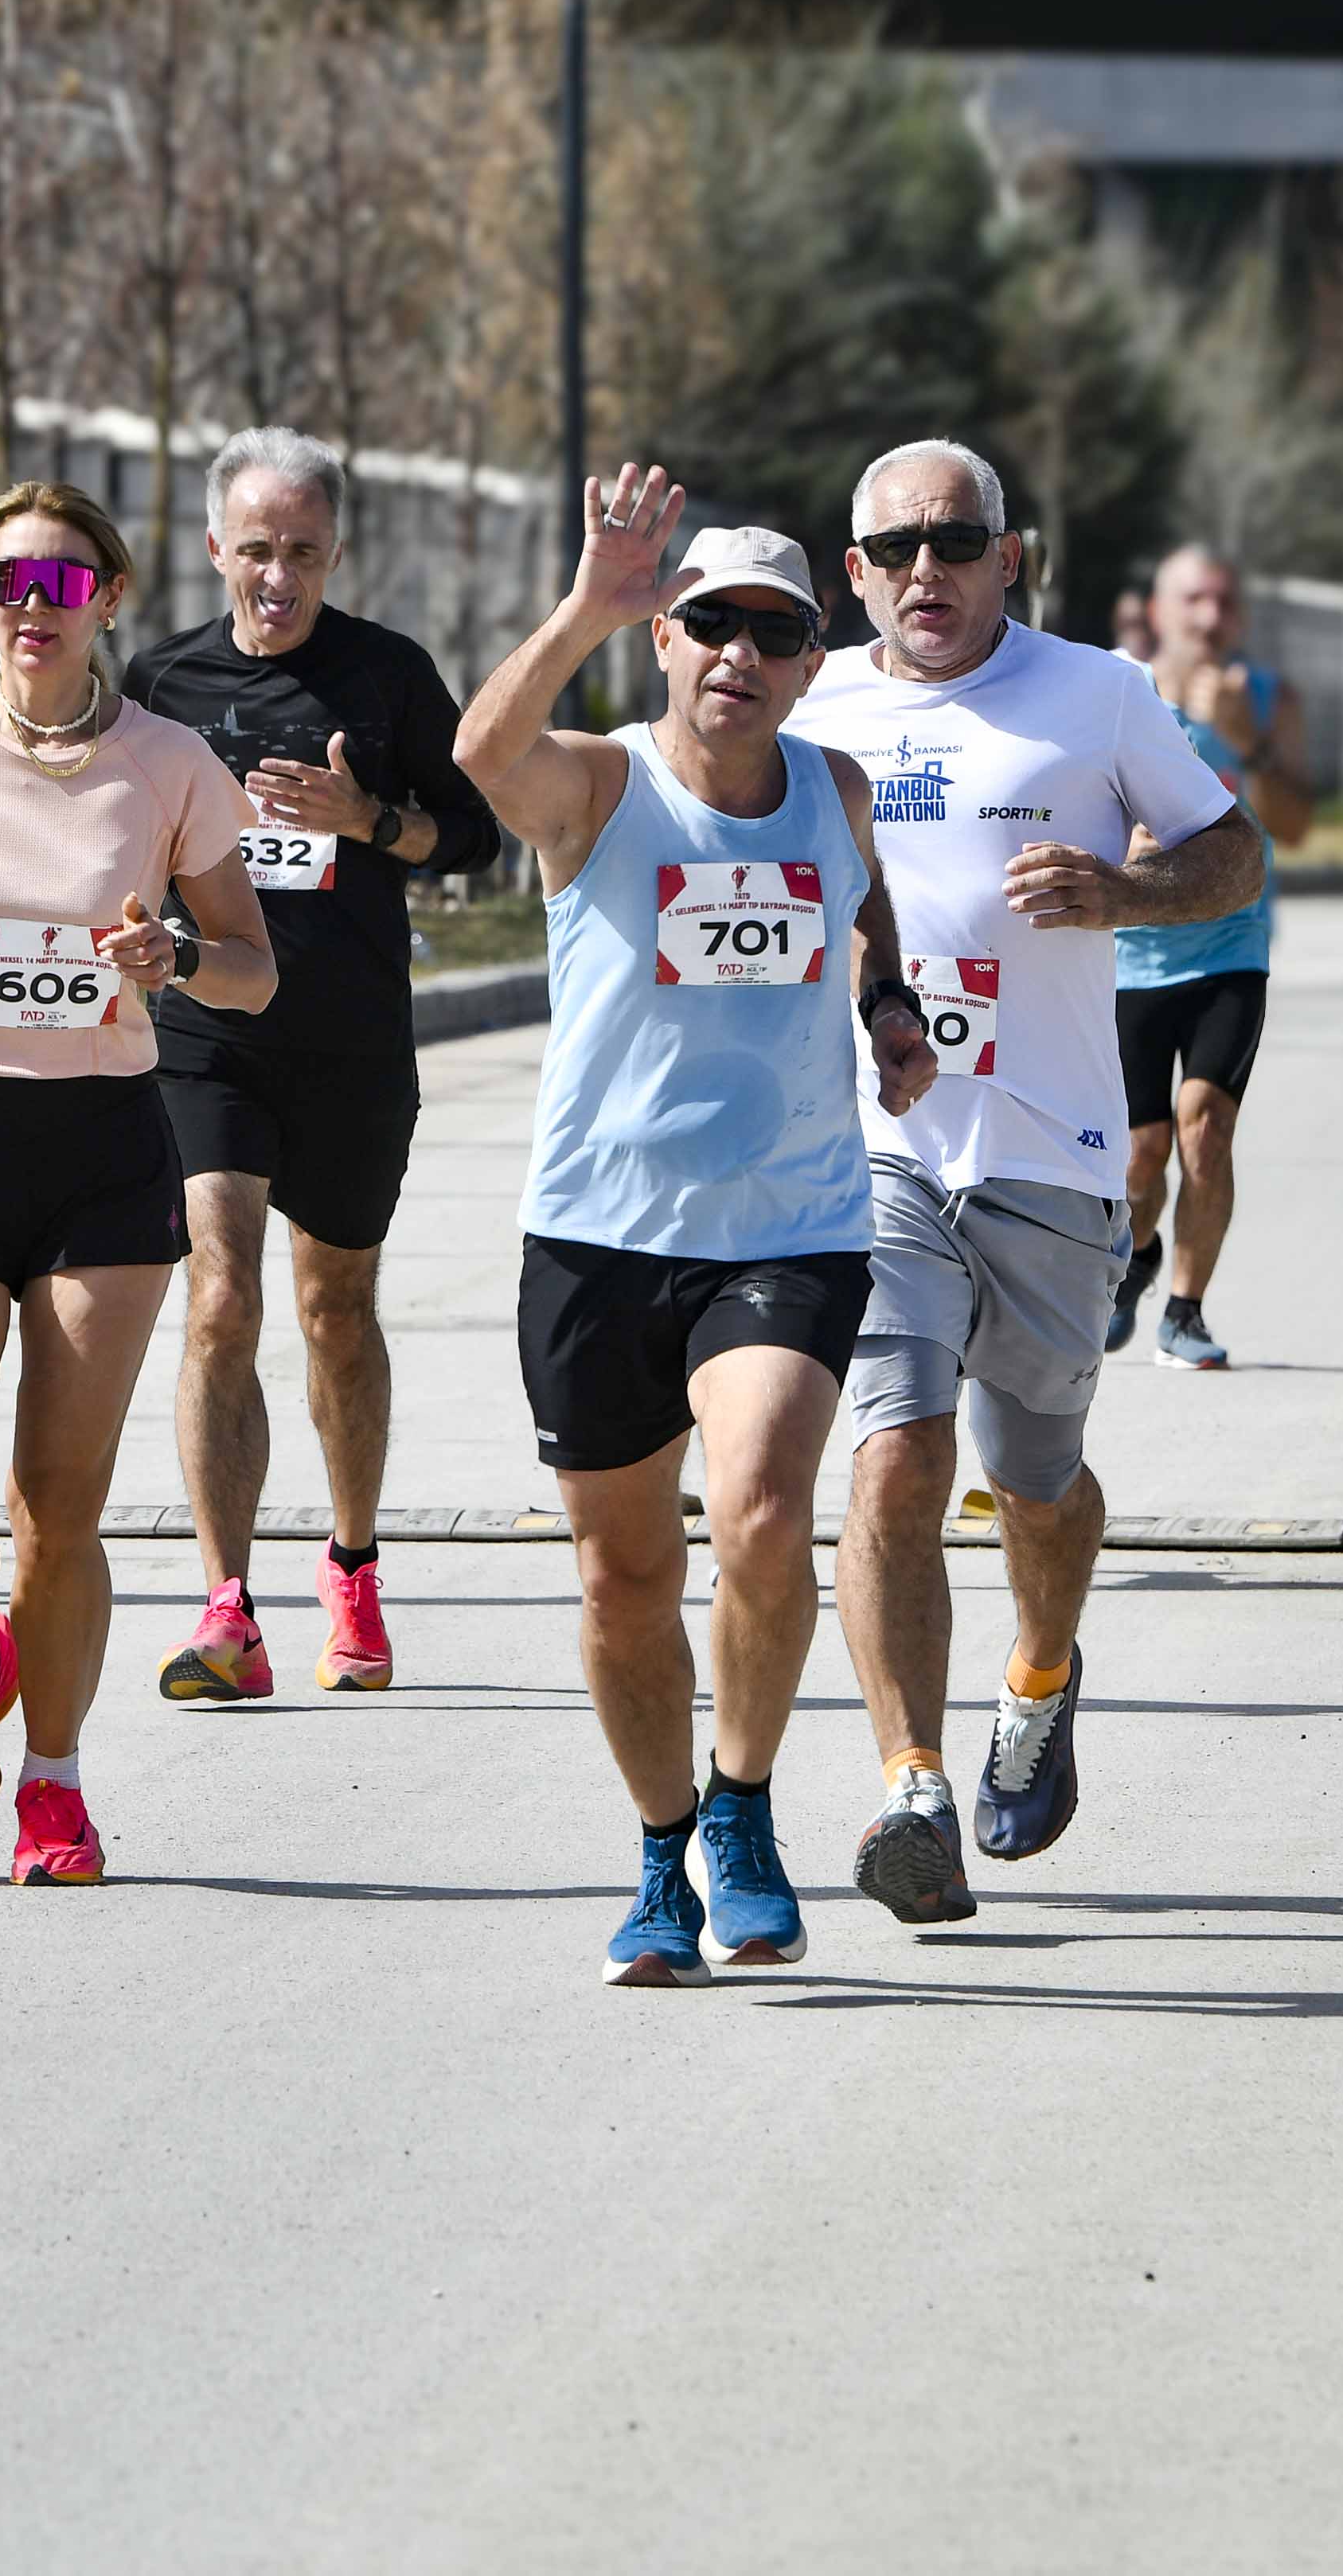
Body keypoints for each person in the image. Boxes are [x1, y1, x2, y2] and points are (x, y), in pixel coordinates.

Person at [455, 470, 934, 1986]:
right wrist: (584, 604)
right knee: (618, 1579)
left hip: (787, 1223)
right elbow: (478, 751)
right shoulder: (596, 785)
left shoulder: (833, 788)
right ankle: (661, 1849)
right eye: (706, 623)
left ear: (807, 659)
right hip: (597, 1229)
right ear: (665, 640)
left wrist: (887, 1001)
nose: (736, 652)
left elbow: (864, 910)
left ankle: (741, 1805)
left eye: (770, 631)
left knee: (757, 1513)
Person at [788, 438, 1261, 1928]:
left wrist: (1128, 893)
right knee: (894, 1456)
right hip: (875, 1147)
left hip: (1053, 1144)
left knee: (1035, 1480)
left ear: (1008, 553)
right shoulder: (805, 705)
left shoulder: (1097, 694)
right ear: (852, 571)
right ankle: (909, 1785)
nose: (924, 568)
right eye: (892, 547)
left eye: (954, 538)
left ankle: (1039, 1675)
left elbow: (1234, 853)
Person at [0, 480, 274, 1886]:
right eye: (10, 580)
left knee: (55, 1503)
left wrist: (179, 963)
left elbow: (250, 964)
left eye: (64, 583)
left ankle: (57, 1785)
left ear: (110, 600)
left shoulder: (169, 760)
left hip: (101, 1149)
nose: (35, 605)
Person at [125, 427, 502, 1701]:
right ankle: (226, 1604)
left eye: (301, 551)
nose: (276, 576)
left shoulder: (387, 676)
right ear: (215, 548)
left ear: (334, 551)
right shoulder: (160, 678)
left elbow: (474, 837)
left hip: (347, 1042)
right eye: (254, 550)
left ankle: (351, 1563)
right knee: (218, 1299)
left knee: (334, 1310)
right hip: (206, 1034)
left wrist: (371, 822)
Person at [1108, 544, 1310, 1369]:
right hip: (1128, 954)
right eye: (1192, 601)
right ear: (1158, 612)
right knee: (1139, 1153)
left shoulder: (1268, 699)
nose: (1209, 618)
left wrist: (1247, 744)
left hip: (1231, 942)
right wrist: (1124, 844)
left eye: (1224, 602)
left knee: (1205, 1129)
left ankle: (1183, 1313)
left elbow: (1295, 828)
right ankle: (1138, 1254)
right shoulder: (1115, 691)